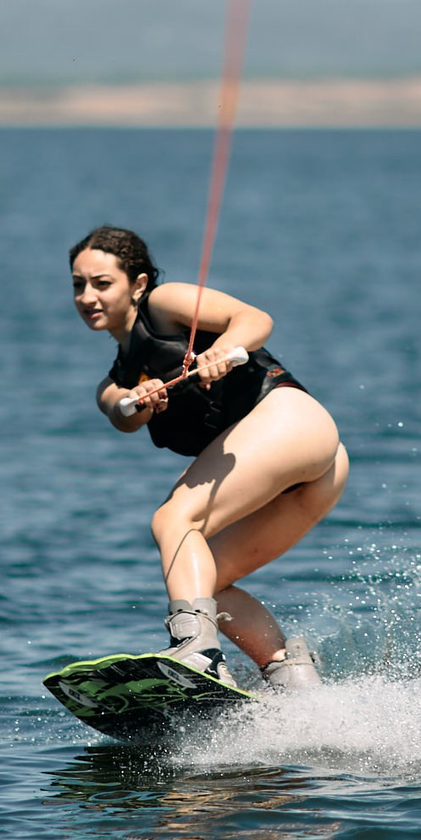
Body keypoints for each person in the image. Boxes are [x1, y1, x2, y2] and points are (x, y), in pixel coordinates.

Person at [69, 225, 348, 689]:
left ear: (137, 284)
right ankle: (296, 685)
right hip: (318, 474)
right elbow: (120, 412)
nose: (87, 296)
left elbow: (253, 317)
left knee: (172, 520)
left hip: (294, 420)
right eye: (78, 285)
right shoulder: (112, 381)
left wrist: (223, 349)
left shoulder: (163, 303)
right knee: (206, 579)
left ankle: (197, 652)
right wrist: (140, 399)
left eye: (101, 283)